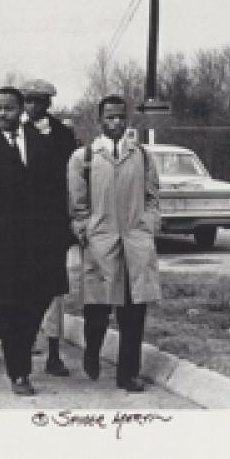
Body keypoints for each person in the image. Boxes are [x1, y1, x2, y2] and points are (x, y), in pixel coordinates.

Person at [0, 87, 70, 395]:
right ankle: (19, 372)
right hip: (3, 250)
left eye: (8, 108)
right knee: (11, 308)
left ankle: (16, 341)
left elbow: (56, 195)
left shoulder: (44, 146)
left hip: (41, 248)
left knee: (38, 303)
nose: (1, 115)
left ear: (21, 109)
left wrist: (57, 237)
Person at [67, 94, 162, 392]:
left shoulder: (142, 156)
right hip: (101, 244)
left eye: (121, 117)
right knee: (97, 311)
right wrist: (87, 233)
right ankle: (92, 350)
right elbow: (77, 205)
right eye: (109, 117)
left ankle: (128, 374)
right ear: (100, 120)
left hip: (136, 243)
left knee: (134, 313)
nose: (116, 122)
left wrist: (148, 228)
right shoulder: (84, 157)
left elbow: (153, 196)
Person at [20, 79, 76, 377]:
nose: (32, 107)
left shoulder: (64, 137)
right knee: (24, 285)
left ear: (48, 103)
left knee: (54, 291)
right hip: (23, 225)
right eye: (27, 101)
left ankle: (54, 354)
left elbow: (73, 179)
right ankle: (20, 339)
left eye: (38, 101)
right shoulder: (16, 135)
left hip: (53, 224)